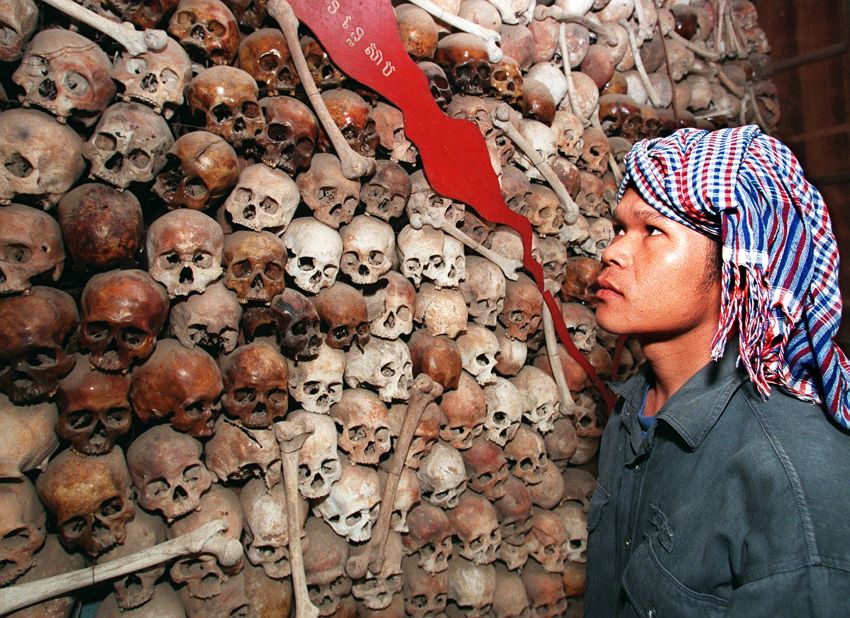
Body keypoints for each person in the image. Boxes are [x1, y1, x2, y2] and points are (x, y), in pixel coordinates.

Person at [584, 125, 850, 617]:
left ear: (736, 263)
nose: (612, 250)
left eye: (652, 231)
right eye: (621, 228)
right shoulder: (632, 411)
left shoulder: (793, 481)